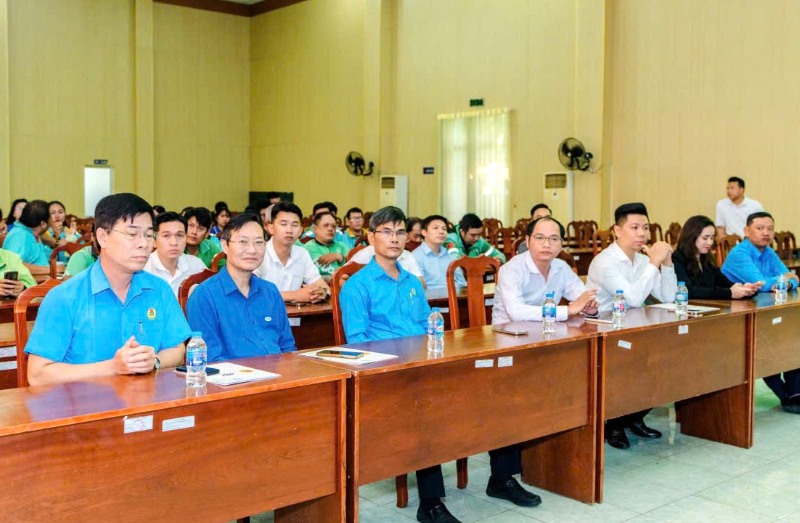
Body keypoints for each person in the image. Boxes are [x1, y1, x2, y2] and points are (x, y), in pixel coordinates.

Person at [340, 207, 458, 522]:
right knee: (425, 412)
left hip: (419, 367)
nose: (394, 238)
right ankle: (430, 504)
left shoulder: (411, 283)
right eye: (387, 232)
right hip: (383, 375)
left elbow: (426, 325)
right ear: (371, 238)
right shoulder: (357, 286)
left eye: (400, 232)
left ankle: (500, 476)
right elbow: (358, 345)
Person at [25, 193, 191, 386]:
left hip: (147, 400)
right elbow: (37, 375)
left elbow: (177, 349)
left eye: (148, 235)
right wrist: (113, 367)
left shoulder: (159, 289)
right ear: (103, 237)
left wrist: (154, 361)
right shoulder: (65, 297)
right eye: (132, 234)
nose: (144, 244)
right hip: (85, 403)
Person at [586, 202, 677, 449]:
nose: (641, 234)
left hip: (633, 329)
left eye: (645, 228)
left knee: (667, 363)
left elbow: (668, 296)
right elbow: (633, 299)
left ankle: (633, 418)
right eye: (634, 227)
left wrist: (667, 264)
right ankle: (614, 425)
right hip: (603, 332)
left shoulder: (642, 261)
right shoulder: (605, 262)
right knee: (636, 367)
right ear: (617, 230)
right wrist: (654, 263)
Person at [186, 213, 296, 362]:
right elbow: (211, 359)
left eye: (259, 242)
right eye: (243, 242)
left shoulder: (271, 291)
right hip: (233, 376)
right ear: (225, 245)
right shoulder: (204, 296)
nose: (252, 250)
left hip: (279, 373)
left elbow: (288, 347)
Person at [721, 211, 800, 413]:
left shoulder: (768, 252)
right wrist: (783, 280)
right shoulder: (740, 253)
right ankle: (787, 395)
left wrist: (786, 281)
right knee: (766, 347)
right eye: (760, 228)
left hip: (764, 309)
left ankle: (794, 393)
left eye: (770, 229)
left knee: (793, 336)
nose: (766, 233)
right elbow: (762, 284)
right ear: (746, 231)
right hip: (736, 317)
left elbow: (792, 279)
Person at [493, 216, 598, 323]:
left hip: (548, 329)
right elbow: (516, 312)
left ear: (561, 244)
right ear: (528, 241)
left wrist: (590, 308)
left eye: (554, 239)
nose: (547, 244)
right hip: (509, 331)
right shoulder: (511, 269)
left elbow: (583, 297)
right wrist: (568, 310)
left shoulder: (562, 267)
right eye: (539, 238)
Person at [254, 202, 329, 303]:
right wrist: (294, 295)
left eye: (295, 225)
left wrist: (322, 292)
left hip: (295, 313)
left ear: (301, 230)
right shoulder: (258, 253)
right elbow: (250, 293)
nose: (289, 230)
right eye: (283, 224)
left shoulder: (302, 254)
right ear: (271, 228)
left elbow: (323, 286)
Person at [672, 215, 761, 299]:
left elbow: (723, 282)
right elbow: (688, 290)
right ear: (691, 237)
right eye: (705, 238)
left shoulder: (706, 258)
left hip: (709, 306)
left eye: (712, 238)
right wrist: (729, 293)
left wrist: (743, 288)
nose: (710, 243)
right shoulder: (677, 258)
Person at [144, 212, 206, 297]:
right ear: (154, 240)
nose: (174, 242)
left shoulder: (196, 265)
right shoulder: (143, 267)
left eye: (179, 236)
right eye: (166, 236)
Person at [411, 214, 465, 289]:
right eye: (435, 228)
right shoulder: (415, 257)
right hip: (432, 296)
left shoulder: (450, 255)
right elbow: (419, 288)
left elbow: (462, 283)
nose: (441, 232)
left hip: (455, 295)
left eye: (444, 229)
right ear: (424, 232)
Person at [3, 199, 53, 274]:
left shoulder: (32, 232)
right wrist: (50, 270)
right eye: (50, 216)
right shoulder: (19, 235)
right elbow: (13, 266)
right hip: (35, 280)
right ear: (43, 224)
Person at [303, 212, 349, 279]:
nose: (330, 229)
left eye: (333, 226)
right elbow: (323, 271)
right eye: (326, 225)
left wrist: (339, 257)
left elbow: (354, 265)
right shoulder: (309, 248)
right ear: (315, 229)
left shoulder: (341, 245)